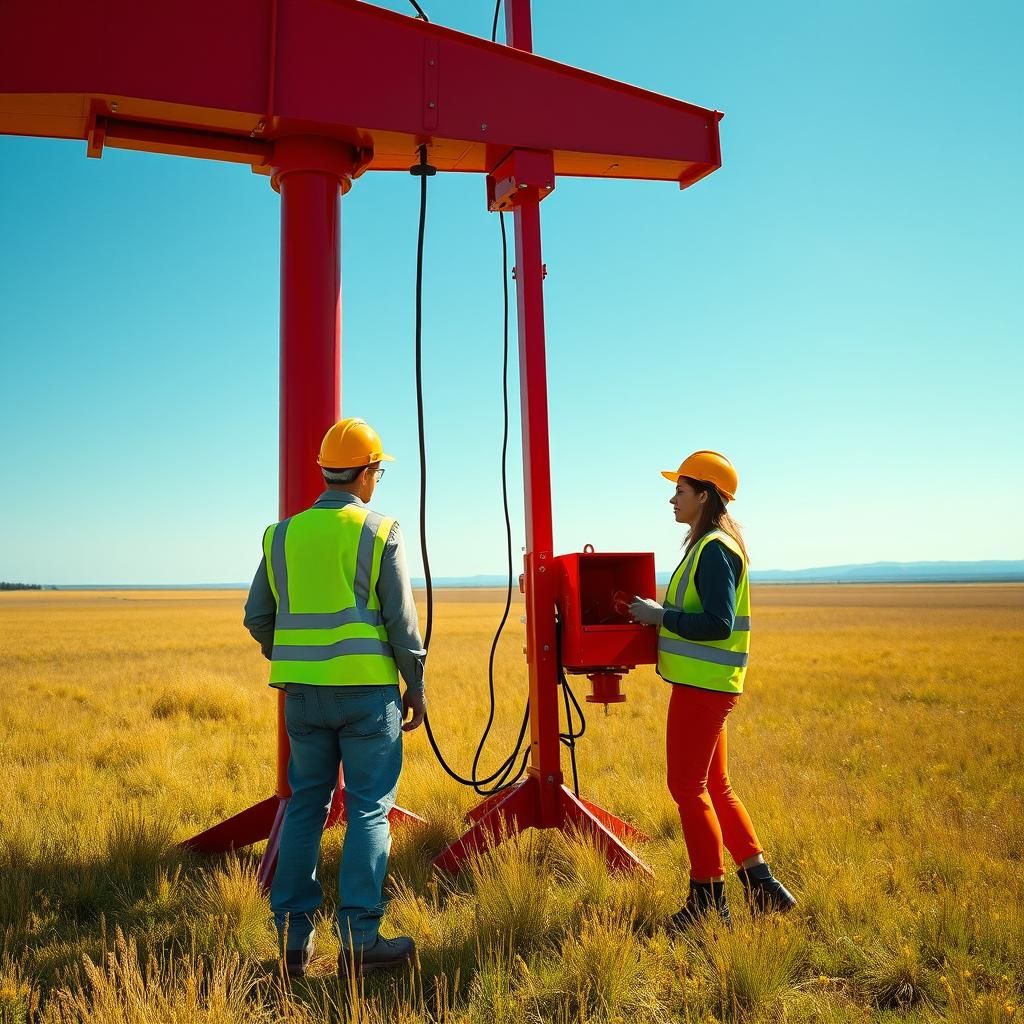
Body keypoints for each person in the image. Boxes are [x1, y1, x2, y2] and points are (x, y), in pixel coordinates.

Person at [243, 417, 427, 976]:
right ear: (367, 472)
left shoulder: (282, 535)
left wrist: (299, 658)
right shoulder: (378, 531)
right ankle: (360, 941)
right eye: (379, 472)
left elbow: (257, 617)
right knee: (370, 806)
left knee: (306, 806)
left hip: (302, 698)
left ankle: (292, 944)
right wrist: (415, 686)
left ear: (326, 470)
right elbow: (401, 623)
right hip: (368, 696)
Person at [629, 450, 795, 928]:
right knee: (716, 786)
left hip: (703, 688)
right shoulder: (710, 545)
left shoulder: (715, 549)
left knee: (686, 787)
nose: (672, 499)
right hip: (709, 685)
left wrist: (660, 617)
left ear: (704, 495)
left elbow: (717, 623)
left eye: (680, 490)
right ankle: (762, 885)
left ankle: (707, 901)